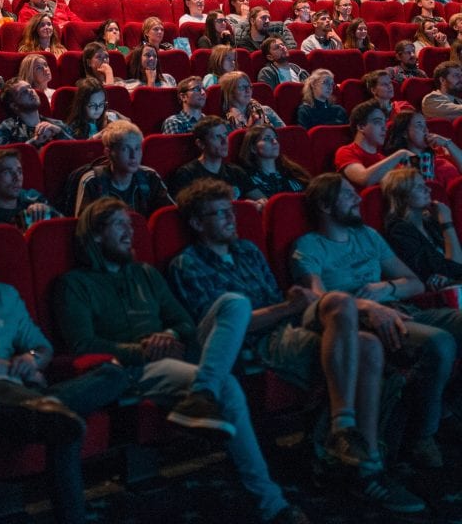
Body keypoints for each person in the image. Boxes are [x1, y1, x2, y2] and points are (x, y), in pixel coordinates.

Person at [169, 179, 426, 516]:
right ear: (197, 223)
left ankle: (345, 433)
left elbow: (278, 302)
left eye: (230, 211)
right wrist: (288, 308)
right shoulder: (188, 264)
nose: (231, 218)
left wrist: (293, 304)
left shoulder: (247, 251)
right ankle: (367, 467)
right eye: (219, 214)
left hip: (286, 324)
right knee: (368, 347)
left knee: (341, 306)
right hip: (257, 340)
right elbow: (224, 329)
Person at [56, 196, 309, 524]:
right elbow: (84, 344)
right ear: (95, 235)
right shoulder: (74, 284)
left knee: (235, 302)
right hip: (136, 368)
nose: (130, 232)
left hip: (178, 351)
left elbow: (185, 323)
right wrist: (144, 349)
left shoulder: (145, 273)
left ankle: (202, 393)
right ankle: (271, 504)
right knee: (227, 386)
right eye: (119, 225)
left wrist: (170, 335)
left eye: (130, 224)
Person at [0, 215, 128, 524]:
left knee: (113, 373)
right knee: (62, 424)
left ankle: (51, 408)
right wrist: (12, 369)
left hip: (27, 391)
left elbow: (42, 348)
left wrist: (31, 360)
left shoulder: (6, 295)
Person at [291, 172, 462, 472]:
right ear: (325, 206)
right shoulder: (309, 245)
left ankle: (448, 409)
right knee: (440, 343)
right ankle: (423, 435)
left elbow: (414, 283)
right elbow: (319, 299)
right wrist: (367, 305)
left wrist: (386, 288)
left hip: (399, 307)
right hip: (357, 321)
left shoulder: (368, 235)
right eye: (348, 195)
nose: (358, 199)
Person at [381, 168, 462, 288]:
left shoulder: (429, 221)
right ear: (403, 196)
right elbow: (456, 269)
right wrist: (447, 223)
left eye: (425, 185)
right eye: (419, 187)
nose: (428, 189)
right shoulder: (400, 231)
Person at [73, 121, 173, 216]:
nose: (133, 156)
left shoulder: (150, 176)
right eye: (125, 149)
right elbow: (85, 225)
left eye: (137, 148)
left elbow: (168, 215)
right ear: (108, 153)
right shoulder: (93, 182)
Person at [167, 115, 265, 205]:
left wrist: (258, 204)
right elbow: (187, 210)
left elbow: (262, 200)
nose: (224, 141)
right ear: (201, 144)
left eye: (225, 135)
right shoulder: (187, 174)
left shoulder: (235, 171)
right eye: (217, 137)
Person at [333, 101, 414, 188]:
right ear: (361, 127)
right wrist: (401, 154)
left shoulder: (382, 159)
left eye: (384, 123)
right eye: (378, 122)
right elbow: (363, 178)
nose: (385, 128)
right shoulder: (346, 152)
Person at [0, 77, 74, 147]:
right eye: (23, 92)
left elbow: (78, 150)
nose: (30, 91)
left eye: (30, 87)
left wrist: (59, 132)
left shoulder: (57, 125)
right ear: (14, 105)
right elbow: (1, 157)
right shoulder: (7, 128)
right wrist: (34, 142)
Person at [238, 126, 310, 201]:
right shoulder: (247, 179)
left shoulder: (292, 171)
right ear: (253, 148)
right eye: (267, 139)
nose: (275, 142)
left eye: (275, 138)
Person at [220, 71, 284, 131]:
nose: (248, 90)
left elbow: (283, 134)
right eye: (242, 87)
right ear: (230, 92)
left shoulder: (266, 110)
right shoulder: (225, 122)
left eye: (249, 86)